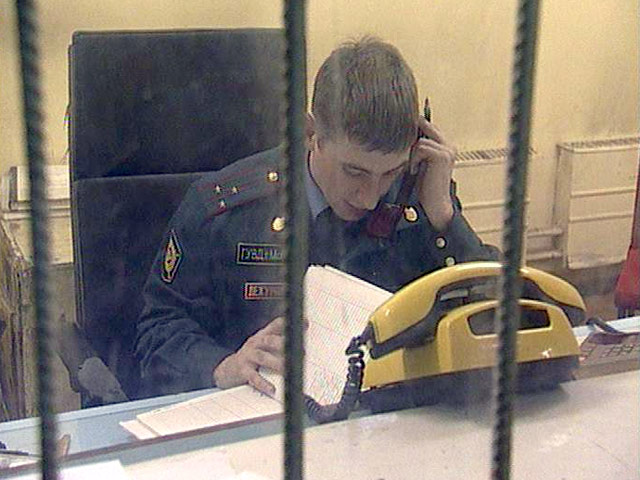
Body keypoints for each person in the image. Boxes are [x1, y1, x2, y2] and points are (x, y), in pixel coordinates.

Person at [134, 37, 498, 397]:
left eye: (390, 172)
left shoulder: (421, 201)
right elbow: (158, 331)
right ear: (311, 134)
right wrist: (222, 366)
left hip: (387, 415)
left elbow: (494, 320)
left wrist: (445, 220)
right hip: (260, 413)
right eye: (354, 172)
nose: (370, 197)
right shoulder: (225, 209)